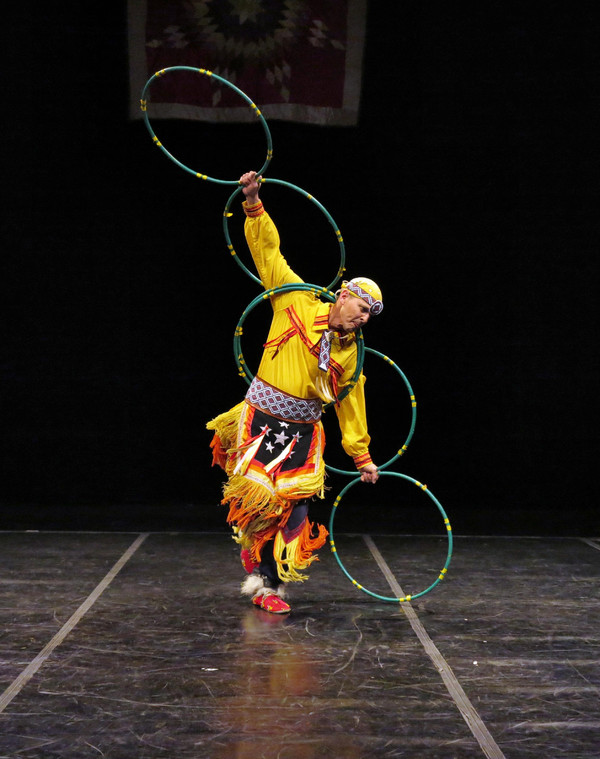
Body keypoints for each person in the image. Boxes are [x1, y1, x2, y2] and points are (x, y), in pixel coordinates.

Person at [207, 171, 382, 614]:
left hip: (304, 434)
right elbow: (268, 253)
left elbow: (350, 406)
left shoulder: (351, 358)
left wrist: (361, 456)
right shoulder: (295, 301)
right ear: (343, 296)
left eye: (369, 317)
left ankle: (271, 584)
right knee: (261, 505)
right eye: (361, 309)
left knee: (297, 512)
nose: (362, 319)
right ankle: (260, 572)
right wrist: (252, 202)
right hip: (261, 422)